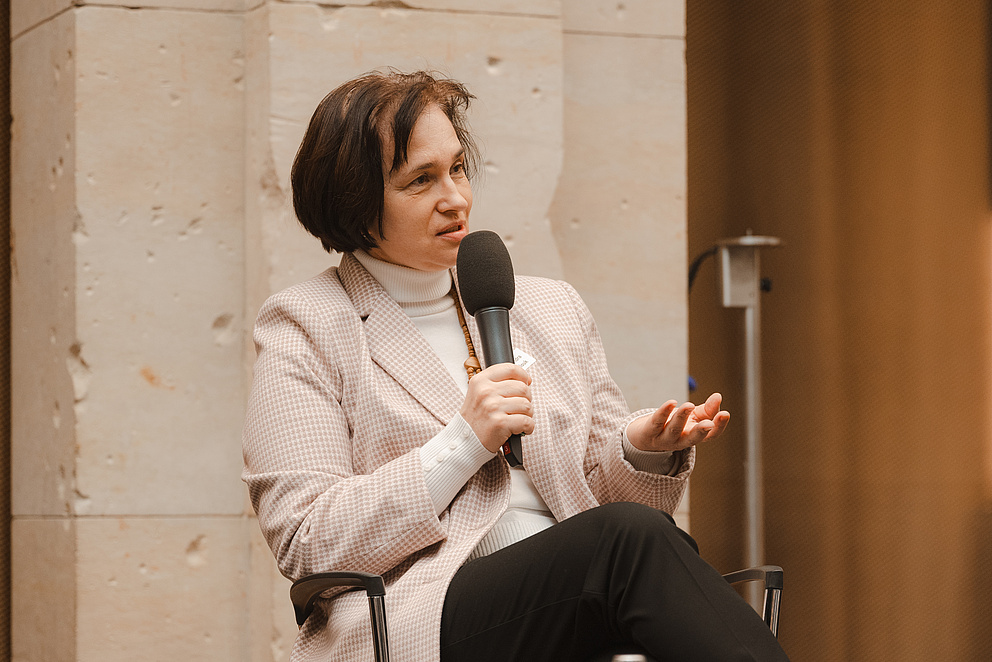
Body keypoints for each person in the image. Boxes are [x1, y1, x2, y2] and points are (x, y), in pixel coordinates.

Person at [242, 69, 789, 662]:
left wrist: (640, 450)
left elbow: (607, 499)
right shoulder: (305, 324)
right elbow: (306, 540)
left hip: (581, 595)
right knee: (625, 541)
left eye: (456, 168)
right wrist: (461, 443)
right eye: (420, 181)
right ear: (354, 202)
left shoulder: (550, 307)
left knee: (638, 537)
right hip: (424, 615)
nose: (454, 197)